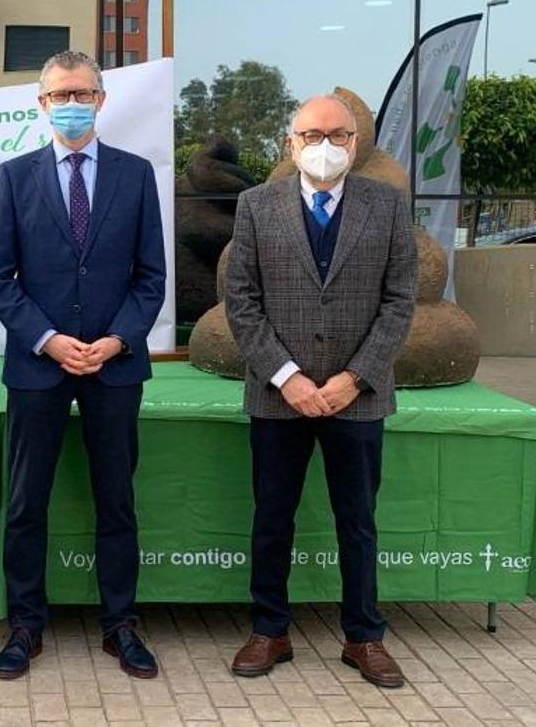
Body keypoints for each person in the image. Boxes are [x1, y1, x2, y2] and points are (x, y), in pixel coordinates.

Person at [0, 50, 167, 680]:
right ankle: (24, 625)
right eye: (61, 94)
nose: (72, 104)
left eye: (84, 93)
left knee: (115, 501)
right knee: (26, 503)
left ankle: (120, 624)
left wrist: (116, 340)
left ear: (101, 99)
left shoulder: (136, 175)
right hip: (38, 366)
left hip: (114, 367)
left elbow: (151, 278)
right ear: (41, 103)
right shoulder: (13, 176)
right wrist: (48, 339)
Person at [224, 94, 417, 688]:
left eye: (337, 135)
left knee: (356, 520)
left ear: (356, 143)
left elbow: (399, 300)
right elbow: (242, 301)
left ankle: (363, 637)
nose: (324, 146)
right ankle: (269, 630)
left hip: (355, 396)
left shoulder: (387, 206)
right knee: (272, 517)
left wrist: (353, 378)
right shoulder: (255, 206)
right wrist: (289, 378)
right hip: (278, 395)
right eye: (311, 135)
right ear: (290, 143)